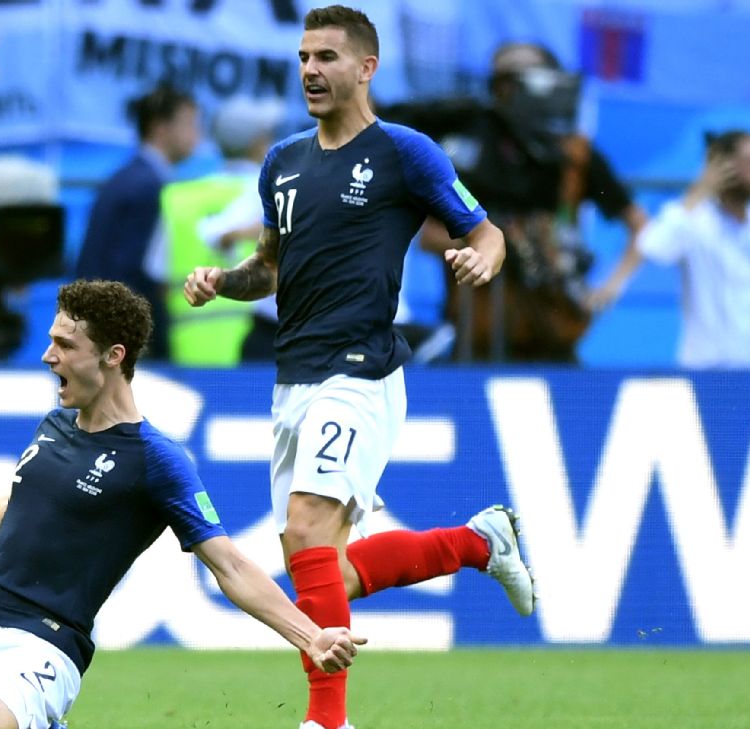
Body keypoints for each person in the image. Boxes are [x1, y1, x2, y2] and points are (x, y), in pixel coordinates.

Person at [0, 279, 361, 729]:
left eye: (64, 345)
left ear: (114, 356)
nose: (47, 356)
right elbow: (31, 507)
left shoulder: (157, 459)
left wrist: (311, 636)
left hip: (45, 645)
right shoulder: (55, 424)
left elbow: (231, 565)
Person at [183, 8, 534, 729]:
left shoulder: (404, 153)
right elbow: (269, 271)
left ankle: (326, 721)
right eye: (304, 56)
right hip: (293, 378)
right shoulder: (282, 162)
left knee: (308, 526)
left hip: (361, 372)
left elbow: (486, 230)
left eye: (327, 58)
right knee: (325, 573)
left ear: (366, 68)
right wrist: (224, 280)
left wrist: (480, 259)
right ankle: (480, 541)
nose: (310, 70)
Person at [382, 40, 648, 362]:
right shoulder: (464, 146)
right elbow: (429, 235)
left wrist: (608, 288)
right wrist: (493, 246)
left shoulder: (574, 155)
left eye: (528, 76)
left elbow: (639, 226)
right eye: (506, 80)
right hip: (477, 333)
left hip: (554, 329)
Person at [634, 129, 750, 368]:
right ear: (723, 167)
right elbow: (654, 248)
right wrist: (699, 191)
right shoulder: (694, 223)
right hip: (707, 371)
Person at [74, 83, 202, 362]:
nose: (197, 134)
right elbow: (133, 271)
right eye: (189, 124)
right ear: (160, 128)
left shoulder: (128, 177)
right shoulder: (149, 186)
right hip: (120, 336)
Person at [156, 95, 286, 365]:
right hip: (258, 346)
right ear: (258, 141)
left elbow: (159, 282)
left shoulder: (178, 198)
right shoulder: (278, 193)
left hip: (189, 349)